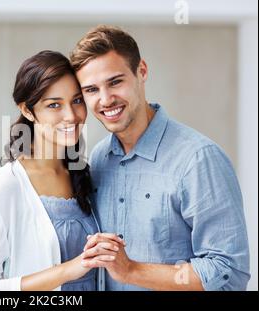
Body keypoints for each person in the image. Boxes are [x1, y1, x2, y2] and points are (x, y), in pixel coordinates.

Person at [70, 25, 250, 290]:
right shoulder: (98, 159)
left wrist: (132, 270)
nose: (105, 99)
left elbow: (229, 272)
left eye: (115, 82)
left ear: (141, 71)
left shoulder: (198, 159)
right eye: (91, 90)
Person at [0, 50, 107, 291]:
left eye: (76, 100)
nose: (71, 116)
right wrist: (68, 270)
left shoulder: (87, 175)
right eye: (54, 105)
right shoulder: (5, 187)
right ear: (28, 110)